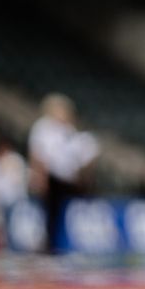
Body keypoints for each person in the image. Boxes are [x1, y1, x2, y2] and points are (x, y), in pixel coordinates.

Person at [27, 93, 97, 255]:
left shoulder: (68, 130)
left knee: (64, 212)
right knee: (50, 213)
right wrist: (40, 177)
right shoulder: (43, 127)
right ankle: (47, 245)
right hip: (52, 177)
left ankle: (61, 243)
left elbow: (79, 154)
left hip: (68, 179)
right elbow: (38, 154)